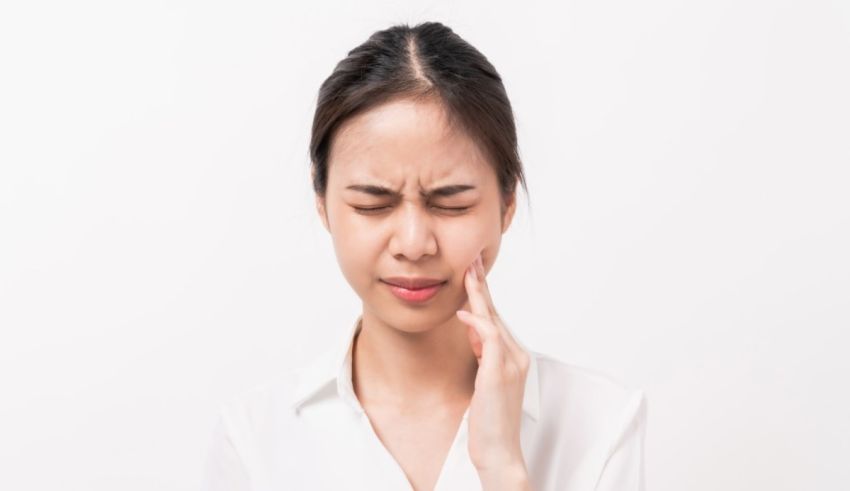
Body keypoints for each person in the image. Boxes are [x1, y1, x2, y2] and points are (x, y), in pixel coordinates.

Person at [201, 21, 647, 491]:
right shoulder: (253, 440)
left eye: (450, 204)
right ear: (323, 204)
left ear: (507, 202)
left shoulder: (601, 423)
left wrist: (503, 470)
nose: (413, 244)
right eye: (372, 204)